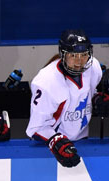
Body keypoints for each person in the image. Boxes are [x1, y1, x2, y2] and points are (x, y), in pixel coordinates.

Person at [26, 29, 106, 168]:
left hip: (82, 141)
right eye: (73, 55)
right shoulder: (46, 81)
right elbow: (35, 128)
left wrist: (98, 99)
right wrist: (55, 140)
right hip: (50, 149)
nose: (79, 61)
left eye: (84, 55)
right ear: (63, 54)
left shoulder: (94, 67)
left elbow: (87, 94)